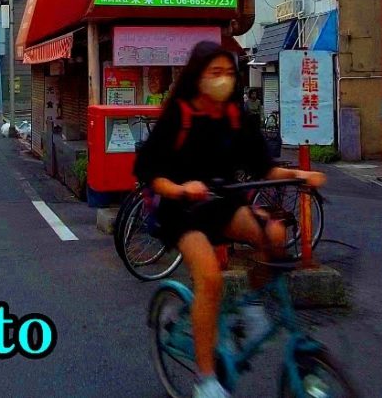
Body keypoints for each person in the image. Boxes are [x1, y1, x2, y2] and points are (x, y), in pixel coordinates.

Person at [133, 42, 326, 398]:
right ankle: (206, 380)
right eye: (214, 73)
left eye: (228, 73)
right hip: (181, 212)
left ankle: (251, 308)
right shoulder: (179, 115)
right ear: (198, 77)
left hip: (222, 203)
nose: (223, 80)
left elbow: (264, 167)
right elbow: (148, 171)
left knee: (274, 233)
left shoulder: (236, 116)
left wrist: (299, 175)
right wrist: (180, 189)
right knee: (209, 277)